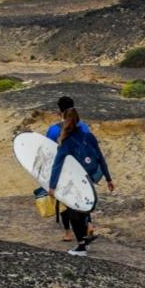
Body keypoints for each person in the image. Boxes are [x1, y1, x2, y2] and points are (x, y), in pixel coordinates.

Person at [48, 108, 115, 257]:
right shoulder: (89, 136)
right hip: (89, 179)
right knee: (83, 210)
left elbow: (57, 165)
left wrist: (52, 186)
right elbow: (100, 158)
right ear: (79, 119)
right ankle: (85, 239)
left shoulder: (66, 140)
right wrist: (108, 178)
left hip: (74, 181)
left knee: (73, 212)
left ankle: (81, 246)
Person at [47, 96, 93, 241]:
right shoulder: (84, 126)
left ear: (59, 111)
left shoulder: (54, 130)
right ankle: (89, 224)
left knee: (64, 201)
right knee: (83, 195)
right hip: (82, 168)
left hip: (64, 170)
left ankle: (68, 232)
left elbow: (49, 150)